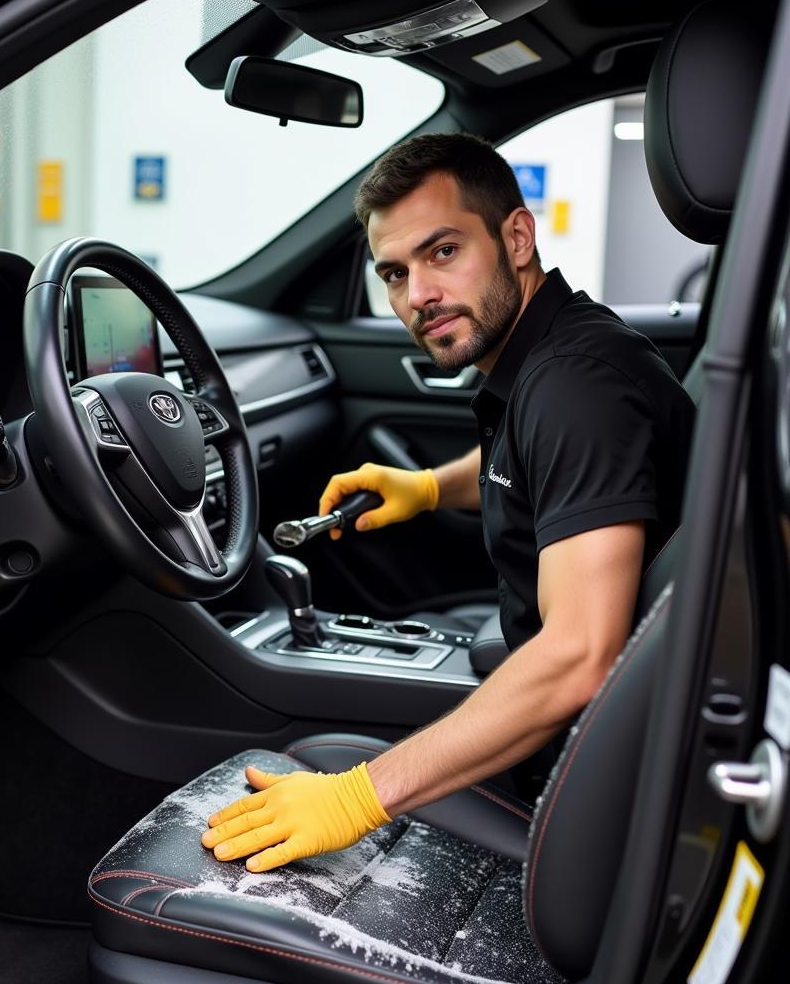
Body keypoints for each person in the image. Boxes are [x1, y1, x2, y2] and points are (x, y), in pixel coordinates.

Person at [201, 132, 696, 873]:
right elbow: (537, 467)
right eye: (394, 273)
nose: (418, 297)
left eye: (442, 253)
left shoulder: (577, 387)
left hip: (601, 777)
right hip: (595, 730)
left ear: (516, 238)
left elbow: (578, 659)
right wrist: (430, 486)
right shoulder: (547, 351)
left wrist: (355, 798)